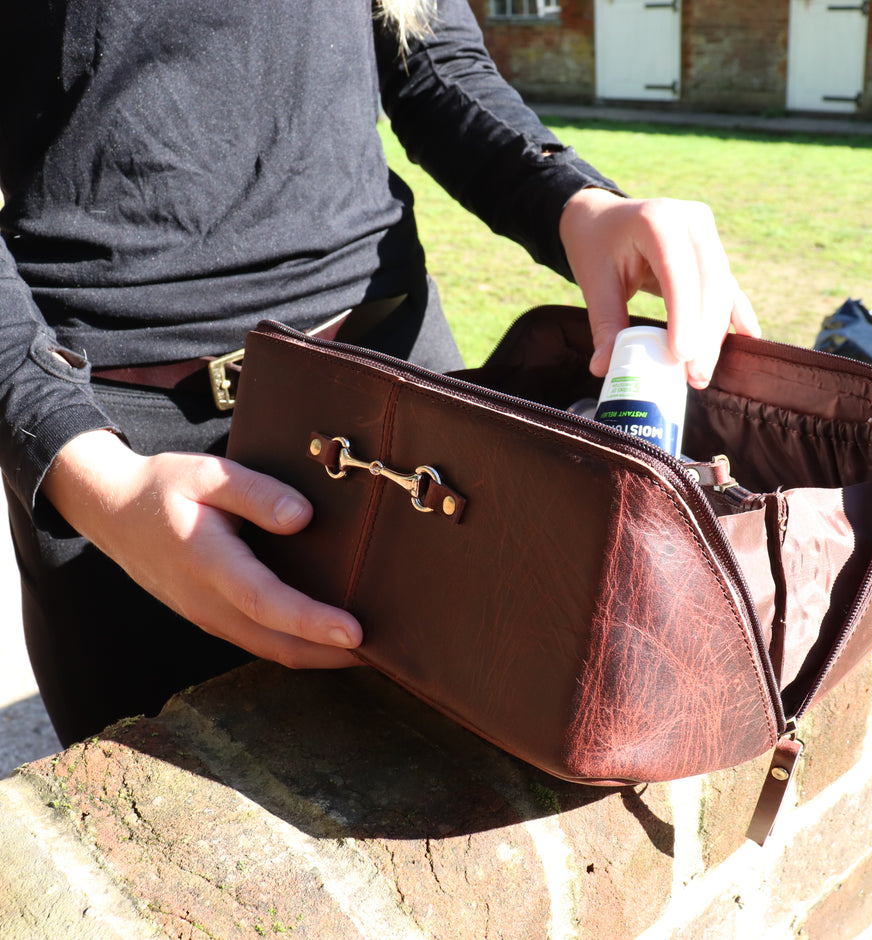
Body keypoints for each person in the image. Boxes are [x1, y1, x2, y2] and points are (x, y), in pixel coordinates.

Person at [0, 0, 760, 747]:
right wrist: (84, 469)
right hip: (126, 447)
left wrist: (578, 202)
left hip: (399, 375)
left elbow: (428, 57)